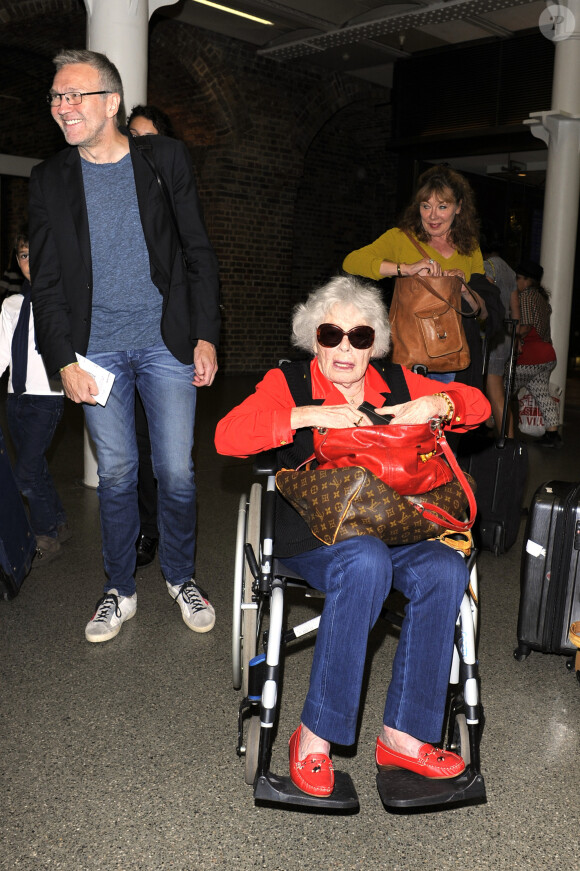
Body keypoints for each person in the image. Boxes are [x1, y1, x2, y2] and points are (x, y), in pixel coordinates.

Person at [215, 275, 490, 797]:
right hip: (318, 534)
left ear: (376, 344)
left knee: (445, 567)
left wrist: (438, 406)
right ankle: (313, 739)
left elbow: (479, 407)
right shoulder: (289, 383)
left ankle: (404, 738)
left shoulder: (401, 382)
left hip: (399, 525)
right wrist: (306, 414)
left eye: (359, 337)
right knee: (365, 561)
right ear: (313, 336)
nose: (345, 348)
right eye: (331, 334)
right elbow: (226, 436)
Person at [29, 49, 221, 642]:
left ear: (110, 103)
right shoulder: (49, 179)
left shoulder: (163, 158)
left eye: (75, 95)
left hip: (167, 341)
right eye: (57, 97)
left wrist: (207, 334)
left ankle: (182, 576)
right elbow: (49, 282)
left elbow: (197, 250)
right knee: (116, 474)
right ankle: (119, 588)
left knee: (177, 472)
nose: (64, 107)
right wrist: (62, 359)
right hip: (96, 350)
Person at [343, 165, 504, 389]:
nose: (432, 215)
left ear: (458, 207)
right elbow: (351, 262)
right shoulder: (401, 239)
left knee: (449, 420)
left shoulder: (470, 247)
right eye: (426, 206)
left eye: (442, 206)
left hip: (455, 356)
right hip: (410, 353)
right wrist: (405, 269)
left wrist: (464, 289)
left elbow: (483, 313)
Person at [125, 105, 178, 568]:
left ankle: (176, 544)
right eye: (132, 137)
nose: (139, 147)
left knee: (172, 458)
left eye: (148, 139)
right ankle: (147, 530)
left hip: (165, 346)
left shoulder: (176, 202)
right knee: (136, 450)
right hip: (121, 344)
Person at [0, 231, 69, 566]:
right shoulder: (11, 305)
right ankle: (58, 518)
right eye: (25, 255)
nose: (31, 262)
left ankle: (46, 535)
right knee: (35, 464)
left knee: (25, 473)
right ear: (17, 261)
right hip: (16, 397)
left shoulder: (62, 302)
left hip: (48, 396)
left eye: (37, 254)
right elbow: (1, 353)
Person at [512, 260, 561, 448]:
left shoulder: (525, 296)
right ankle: (553, 435)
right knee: (541, 393)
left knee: (502, 388)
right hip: (547, 354)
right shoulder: (541, 298)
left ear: (527, 280)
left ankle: (494, 428)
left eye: (518, 278)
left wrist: (513, 335)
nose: (516, 282)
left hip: (531, 354)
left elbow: (525, 327)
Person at [482, 243, 520, 437]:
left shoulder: (489, 267)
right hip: (506, 334)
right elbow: (515, 311)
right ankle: (492, 424)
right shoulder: (510, 271)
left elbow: (485, 300)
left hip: (493, 335)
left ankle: (507, 439)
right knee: (497, 388)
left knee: (495, 389)